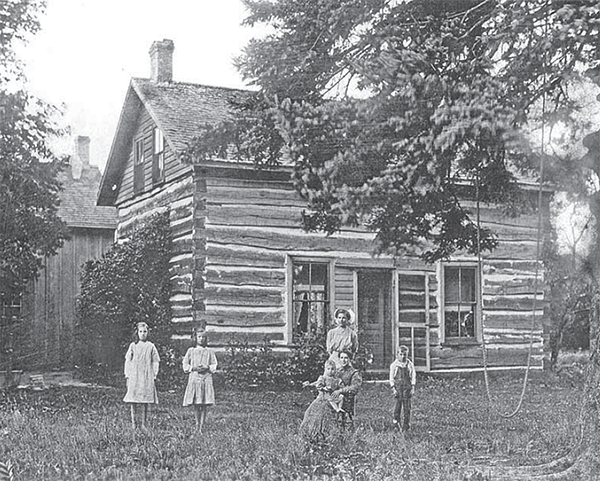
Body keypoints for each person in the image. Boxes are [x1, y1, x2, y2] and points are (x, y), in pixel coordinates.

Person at [123, 321, 160, 429]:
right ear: (137, 333)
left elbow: (155, 361)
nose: (143, 334)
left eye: (145, 331)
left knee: (145, 399)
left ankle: (143, 423)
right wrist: (127, 375)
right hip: (135, 375)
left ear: (148, 332)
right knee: (133, 399)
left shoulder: (151, 346)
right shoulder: (133, 346)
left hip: (146, 376)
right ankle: (134, 422)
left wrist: (154, 374)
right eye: (140, 331)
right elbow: (128, 361)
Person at [182, 328, 218, 433]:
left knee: (204, 403)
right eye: (199, 337)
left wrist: (207, 367)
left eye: (203, 337)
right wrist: (193, 368)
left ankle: (202, 426)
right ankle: (197, 425)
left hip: (206, 378)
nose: (201, 339)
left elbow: (214, 364)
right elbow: (185, 364)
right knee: (197, 403)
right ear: (195, 338)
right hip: (195, 377)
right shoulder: (191, 351)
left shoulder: (209, 352)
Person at [299, 360, 343, 443]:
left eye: (333, 369)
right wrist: (324, 388)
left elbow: (340, 387)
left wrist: (338, 390)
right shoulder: (322, 378)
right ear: (325, 369)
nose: (330, 371)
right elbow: (318, 385)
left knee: (327, 418)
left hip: (331, 400)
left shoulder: (336, 379)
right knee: (311, 414)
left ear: (335, 370)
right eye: (328, 369)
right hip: (321, 399)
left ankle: (328, 436)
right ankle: (310, 434)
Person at [389, 345, 416, 432]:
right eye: (401, 354)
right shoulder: (394, 365)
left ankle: (406, 425)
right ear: (397, 354)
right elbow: (391, 378)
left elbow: (413, 376)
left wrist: (412, 387)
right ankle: (396, 424)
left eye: (405, 355)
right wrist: (393, 388)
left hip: (406, 388)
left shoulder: (409, 364)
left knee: (407, 407)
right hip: (398, 388)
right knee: (397, 407)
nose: (403, 356)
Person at [333, 350, 362, 429]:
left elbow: (355, 387)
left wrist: (340, 391)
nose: (343, 360)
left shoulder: (354, 372)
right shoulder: (337, 371)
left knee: (347, 420)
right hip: (336, 397)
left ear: (350, 359)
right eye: (341, 358)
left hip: (348, 397)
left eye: (346, 358)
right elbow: (328, 380)